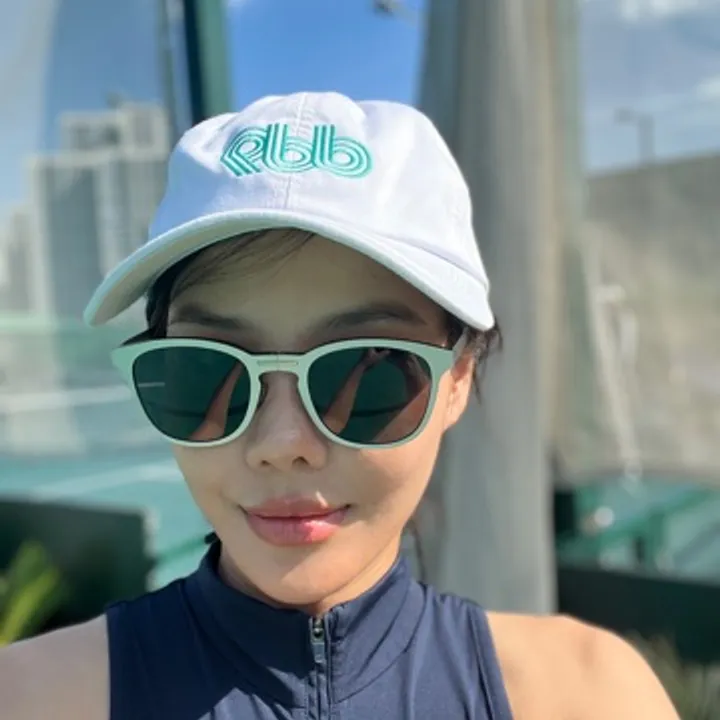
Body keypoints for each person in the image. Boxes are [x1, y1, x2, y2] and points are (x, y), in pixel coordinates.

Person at [0, 92, 678, 719]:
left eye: (368, 372)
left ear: (458, 381)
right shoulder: (31, 698)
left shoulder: (589, 696)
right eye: (207, 372)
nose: (282, 443)